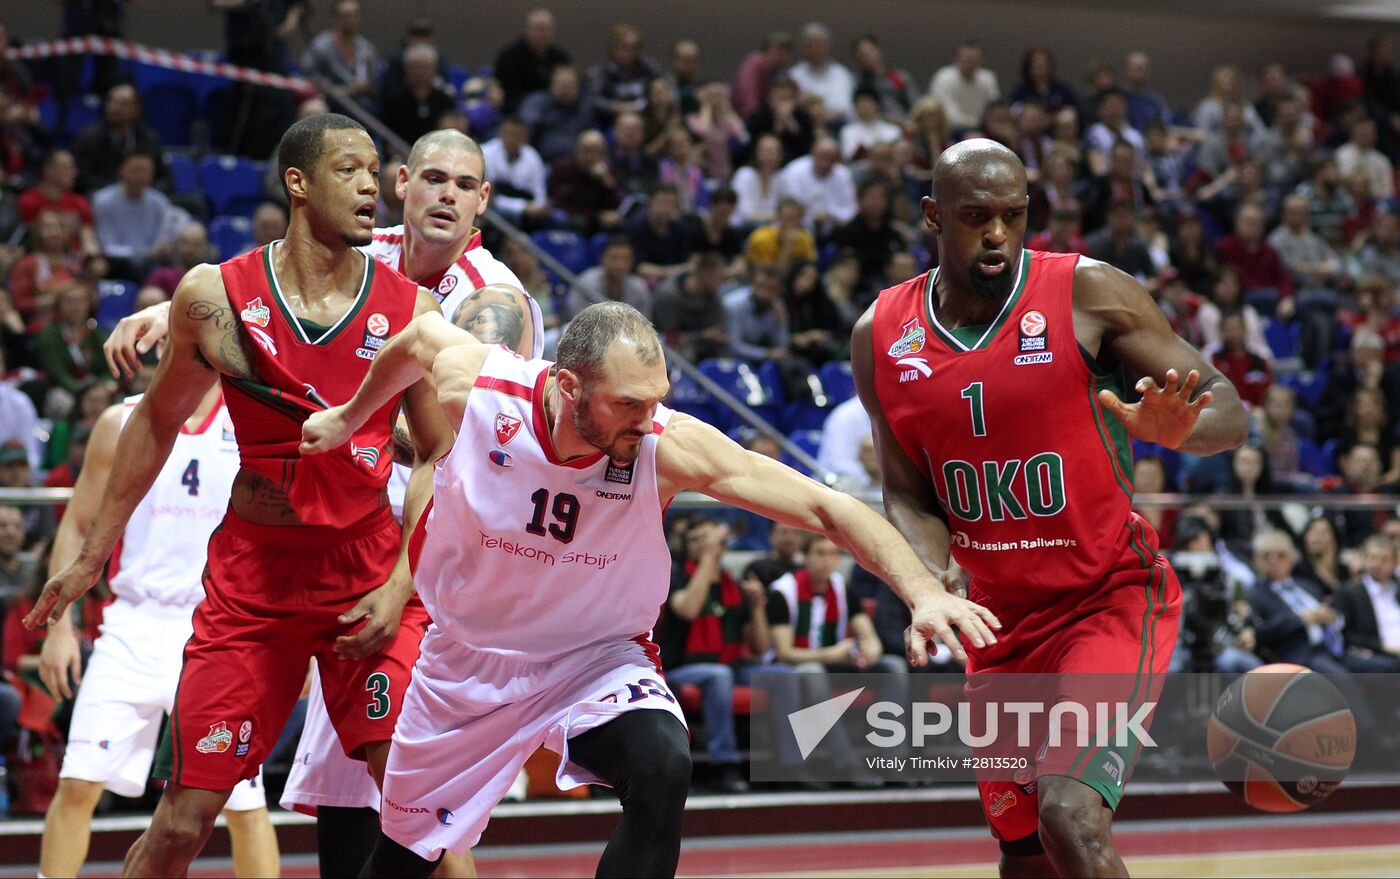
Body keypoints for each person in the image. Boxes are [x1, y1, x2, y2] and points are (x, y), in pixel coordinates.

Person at [296, 299, 998, 877]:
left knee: (663, 763)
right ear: (568, 386)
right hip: (469, 661)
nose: (647, 418)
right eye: (629, 403)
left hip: (594, 657)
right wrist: (349, 415)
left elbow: (827, 506)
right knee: (401, 858)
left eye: (655, 399)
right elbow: (417, 334)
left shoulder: (663, 444)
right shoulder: (481, 390)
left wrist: (922, 592)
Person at [24, 113, 449, 877]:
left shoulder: (410, 311)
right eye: (350, 169)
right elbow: (153, 422)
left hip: (365, 572)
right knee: (184, 822)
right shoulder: (213, 297)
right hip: (255, 581)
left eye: (374, 169)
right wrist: (90, 556)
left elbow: (436, 460)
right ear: (298, 183)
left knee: (420, 808)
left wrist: (400, 582)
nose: (370, 185)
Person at [851, 138, 1248, 877]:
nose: (998, 232)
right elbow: (908, 489)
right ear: (935, 216)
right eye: (976, 216)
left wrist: (1183, 426)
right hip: (999, 622)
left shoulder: (1087, 292)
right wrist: (929, 580)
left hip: (1108, 597)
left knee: (1071, 813)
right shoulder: (880, 333)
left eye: (1013, 215)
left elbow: (1228, 405)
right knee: (1027, 853)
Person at [35, 386, 280, 878]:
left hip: (219, 627)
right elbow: (78, 525)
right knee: (78, 782)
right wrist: (59, 630)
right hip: (132, 623)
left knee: (241, 801)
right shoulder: (119, 421)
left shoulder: (255, 418)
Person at [494, 8, 572, 114]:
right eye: (538, 29)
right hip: (517, 112)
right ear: (526, 30)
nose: (542, 34)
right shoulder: (509, 57)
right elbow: (503, 92)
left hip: (556, 114)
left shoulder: (561, 57)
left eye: (546, 29)